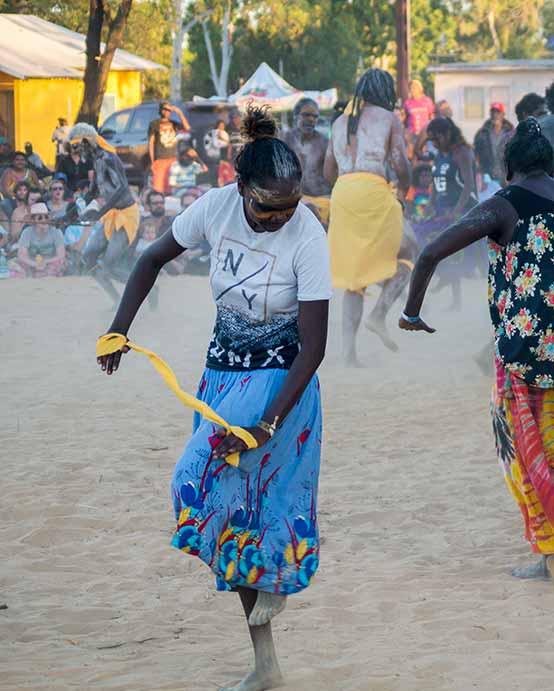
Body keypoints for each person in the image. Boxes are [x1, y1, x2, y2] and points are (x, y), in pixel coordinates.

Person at [96, 106, 329, 691]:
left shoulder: (308, 236)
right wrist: (119, 327)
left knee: (199, 481)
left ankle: (272, 585)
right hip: (221, 375)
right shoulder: (215, 208)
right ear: (239, 186)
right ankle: (267, 665)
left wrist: (267, 423)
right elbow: (150, 259)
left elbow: (314, 347)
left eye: (290, 206)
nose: (279, 217)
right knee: (223, 509)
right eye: (267, 207)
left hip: (281, 380)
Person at [398, 118, 554, 585]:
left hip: (530, 347)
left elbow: (432, 251)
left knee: (522, 441)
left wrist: (411, 312)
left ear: (509, 168)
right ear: (553, 165)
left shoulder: (506, 202)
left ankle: (552, 552)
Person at [324, 68, 414, 366]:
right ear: (385, 91)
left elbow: (327, 172)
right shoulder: (389, 119)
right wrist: (403, 189)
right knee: (410, 251)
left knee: (354, 277)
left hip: (343, 194)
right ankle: (378, 314)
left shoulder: (339, 122)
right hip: (372, 191)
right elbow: (400, 162)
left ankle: (349, 354)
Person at [69, 123, 142, 307]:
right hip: (111, 215)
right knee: (89, 257)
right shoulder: (97, 160)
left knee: (110, 266)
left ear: (87, 142)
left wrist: (100, 212)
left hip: (126, 216)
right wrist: (68, 215)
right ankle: (117, 302)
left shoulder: (108, 158)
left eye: (77, 146)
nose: (75, 151)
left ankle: (148, 289)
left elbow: (122, 188)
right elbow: (93, 192)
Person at [419, 117, 480, 310]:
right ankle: (452, 292)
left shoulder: (461, 152)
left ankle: (461, 298)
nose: (433, 143)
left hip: (462, 208)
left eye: (436, 139)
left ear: (446, 134)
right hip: (442, 208)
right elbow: (436, 185)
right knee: (439, 250)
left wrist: (456, 212)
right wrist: (430, 204)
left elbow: (469, 184)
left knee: (460, 254)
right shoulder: (439, 155)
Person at [282, 98, 331, 226]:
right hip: (293, 201)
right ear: (296, 116)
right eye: (306, 115)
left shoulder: (324, 142)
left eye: (315, 116)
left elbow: (333, 173)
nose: (311, 119)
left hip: (321, 200)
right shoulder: (285, 139)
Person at [11, 202, 65, 278]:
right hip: (31, 263)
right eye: (40, 218)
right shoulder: (27, 232)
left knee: (60, 263)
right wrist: (34, 264)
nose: (44, 220)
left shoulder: (56, 231)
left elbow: (61, 255)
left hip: (50, 263)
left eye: (46, 217)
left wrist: (45, 262)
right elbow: (22, 255)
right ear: (33, 220)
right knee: (13, 265)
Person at [148, 101, 190, 195]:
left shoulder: (174, 124)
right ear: (161, 110)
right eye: (165, 109)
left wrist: (179, 112)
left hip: (173, 158)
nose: (167, 112)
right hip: (160, 158)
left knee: (172, 187)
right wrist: (152, 162)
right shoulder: (154, 124)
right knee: (158, 188)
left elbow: (187, 128)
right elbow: (151, 143)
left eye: (169, 110)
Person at [474, 103, 513, 183]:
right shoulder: (482, 133)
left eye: (498, 112)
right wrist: (480, 175)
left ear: (503, 114)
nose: (495, 115)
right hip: (488, 177)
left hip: (506, 177)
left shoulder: (511, 132)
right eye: (493, 112)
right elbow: (475, 155)